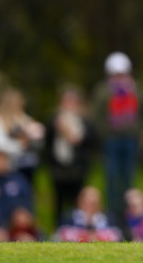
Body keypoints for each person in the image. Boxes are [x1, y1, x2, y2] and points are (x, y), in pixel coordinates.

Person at [92, 52, 142, 219]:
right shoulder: (103, 91)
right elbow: (97, 116)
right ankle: (113, 214)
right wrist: (106, 134)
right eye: (116, 74)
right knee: (112, 177)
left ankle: (129, 213)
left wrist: (132, 90)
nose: (120, 78)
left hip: (129, 140)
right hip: (111, 140)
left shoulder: (134, 89)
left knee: (129, 177)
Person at [45, 85, 98, 226]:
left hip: (78, 170)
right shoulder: (53, 119)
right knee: (59, 202)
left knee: (77, 201)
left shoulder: (86, 121)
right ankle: (58, 229)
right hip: (58, 170)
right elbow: (47, 140)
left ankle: (77, 229)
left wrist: (72, 134)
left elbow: (92, 141)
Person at [0, 88, 45, 185]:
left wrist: (35, 137)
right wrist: (20, 144)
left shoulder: (25, 119)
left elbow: (38, 141)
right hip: (5, 167)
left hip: (27, 166)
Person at [54, 186, 122, 242]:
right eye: (88, 203)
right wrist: (85, 235)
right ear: (80, 202)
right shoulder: (69, 217)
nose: (92, 208)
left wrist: (96, 236)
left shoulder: (108, 217)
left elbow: (117, 235)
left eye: (95, 204)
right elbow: (60, 235)